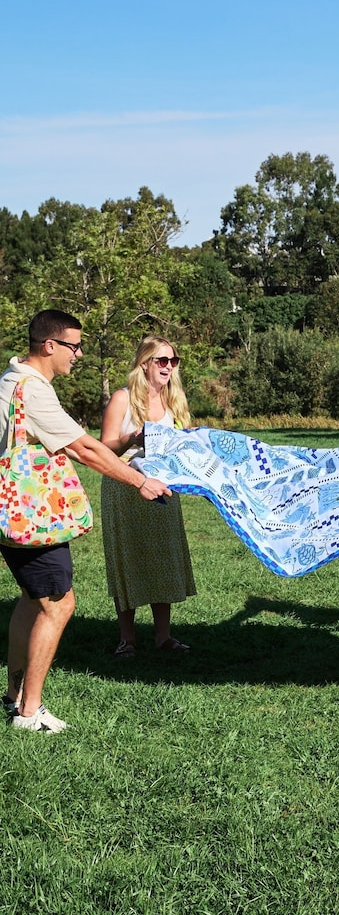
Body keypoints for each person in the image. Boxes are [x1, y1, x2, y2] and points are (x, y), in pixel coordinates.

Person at [0, 310, 171, 733]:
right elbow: (86, 450)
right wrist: (139, 481)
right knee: (59, 603)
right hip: (33, 515)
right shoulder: (33, 391)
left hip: (10, 515)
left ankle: (13, 696)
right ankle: (30, 712)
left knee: (32, 598)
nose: (78, 355)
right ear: (49, 345)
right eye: (74, 346)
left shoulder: (8, 380)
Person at [100, 335, 195, 657]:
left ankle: (163, 637)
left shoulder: (175, 400)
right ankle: (128, 638)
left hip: (162, 487)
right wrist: (132, 438)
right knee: (128, 557)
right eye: (162, 360)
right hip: (125, 486)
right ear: (144, 364)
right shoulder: (122, 399)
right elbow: (105, 448)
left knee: (162, 559)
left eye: (173, 361)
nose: (169, 366)